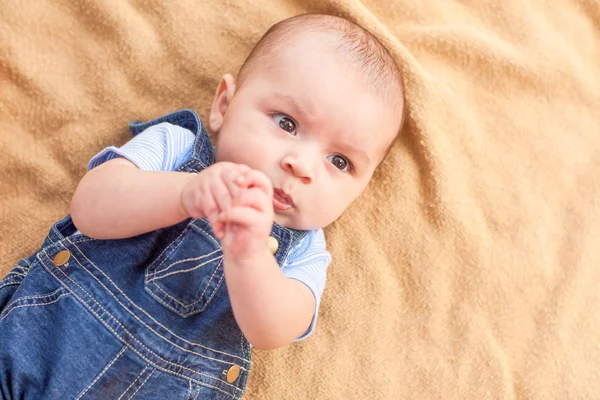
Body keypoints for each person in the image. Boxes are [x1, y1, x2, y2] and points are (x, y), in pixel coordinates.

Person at [0, 13, 405, 399]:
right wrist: (185, 194)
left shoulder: (306, 250)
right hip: (39, 343)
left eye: (340, 162)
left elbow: (274, 330)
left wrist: (249, 257)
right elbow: (90, 206)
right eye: (286, 123)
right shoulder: (177, 146)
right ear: (224, 105)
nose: (300, 166)